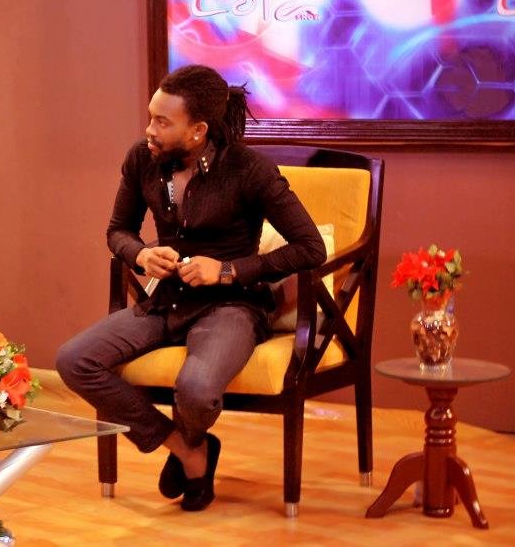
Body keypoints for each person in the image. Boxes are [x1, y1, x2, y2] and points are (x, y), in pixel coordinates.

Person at [56, 64, 326, 512]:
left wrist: (228, 271)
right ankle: (187, 449)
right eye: (150, 117)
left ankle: (192, 442)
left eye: (163, 122)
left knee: (196, 389)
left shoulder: (249, 170)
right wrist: (141, 255)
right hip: (166, 302)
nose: (149, 130)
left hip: (231, 307)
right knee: (74, 361)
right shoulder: (142, 159)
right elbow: (118, 231)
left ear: (198, 130)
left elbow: (310, 248)